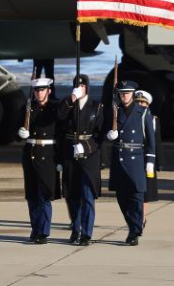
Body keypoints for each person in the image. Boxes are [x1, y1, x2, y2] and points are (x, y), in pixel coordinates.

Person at [104, 80, 156, 245]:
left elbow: (150, 139)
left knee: (136, 195)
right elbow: (105, 131)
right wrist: (109, 135)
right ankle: (133, 223)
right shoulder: (115, 111)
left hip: (136, 157)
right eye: (122, 93)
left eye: (127, 93)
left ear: (133, 94)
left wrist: (150, 160)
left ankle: (134, 230)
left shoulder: (143, 112)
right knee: (121, 196)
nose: (124, 96)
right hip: (119, 157)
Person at [58, 74, 103, 246]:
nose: (80, 88)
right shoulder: (68, 104)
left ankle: (86, 233)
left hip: (88, 157)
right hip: (70, 154)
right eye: (77, 86)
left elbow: (99, 135)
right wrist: (72, 98)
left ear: (88, 88)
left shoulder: (96, 107)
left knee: (87, 195)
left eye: (83, 86)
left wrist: (86, 146)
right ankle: (75, 229)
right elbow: (60, 118)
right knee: (72, 196)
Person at [17, 77, 61, 244]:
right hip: (30, 154)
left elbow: (60, 133)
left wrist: (60, 159)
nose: (39, 93)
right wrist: (19, 132)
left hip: (48, 155)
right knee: (31, 196)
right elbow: (16, 130)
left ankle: (43, 232)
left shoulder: (54, 109)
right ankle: (35, 229)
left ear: (48, 91)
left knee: (44, 196)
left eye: (42, 90)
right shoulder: (27, 108)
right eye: (36, 90)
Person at [134, 90, 164, 228]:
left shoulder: (153, 120)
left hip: (147, 160)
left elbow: (156, 142)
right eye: (138, 102)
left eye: (143, 102)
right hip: (134, 158)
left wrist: (159, 162)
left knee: (145, 191)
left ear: (147, 104)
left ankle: (142, 217)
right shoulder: (131, 118)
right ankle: (136, 216)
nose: (140, 104)